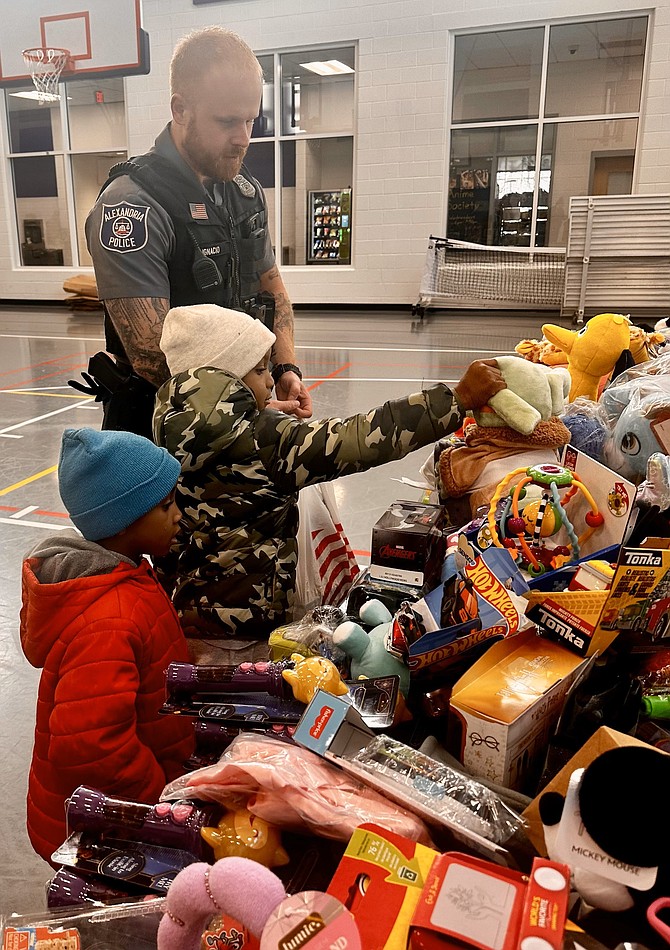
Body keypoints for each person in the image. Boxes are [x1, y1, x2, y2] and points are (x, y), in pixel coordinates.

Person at [153, 303, 507, 662]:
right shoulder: (266, 440)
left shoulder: (171, 427)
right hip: (248, 628)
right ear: (229, 378)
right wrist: (456, 400)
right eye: (260, 370)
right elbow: (359, 438)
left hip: (192, 615)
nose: (269, 381)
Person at [84, 25, 311, 437]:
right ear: (180, 109)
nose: (244, 139)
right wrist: (253, 399)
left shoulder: (243, 192)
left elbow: (271, 287)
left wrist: (285, 367)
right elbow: (153, 354)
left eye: (250, 120)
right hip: (161, 434)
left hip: (241, 420)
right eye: (227, 122)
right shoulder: (132, 207)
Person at [20, 428, 193, 863]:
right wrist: (157, 796)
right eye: (166, 505)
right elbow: (91, 744)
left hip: (128, 805)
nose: (179, 516)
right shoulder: (108, 618)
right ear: (124, 520)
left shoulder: (129, 575)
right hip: (111, 824)